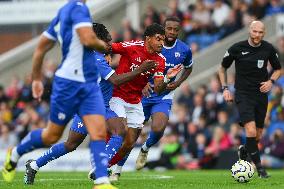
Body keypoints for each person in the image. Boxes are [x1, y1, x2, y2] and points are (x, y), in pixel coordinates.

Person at [21, 22, 158, 184]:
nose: (110, 45)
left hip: (100, 107)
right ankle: (35, 164)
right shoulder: (97, 59)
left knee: (118, 131)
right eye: (107, 41)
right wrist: (140, 70)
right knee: (72, 144)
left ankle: (101, 167)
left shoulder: (96, 56)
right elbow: (115, 80)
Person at [1, 1, 117, 189]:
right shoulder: (78, 9)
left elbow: (41, 48)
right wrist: (103, 46)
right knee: (51, 136)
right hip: (69, 84)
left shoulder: (64, 12)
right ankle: (14, 153)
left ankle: (101, 182)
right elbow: (88, 40)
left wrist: (37, 79)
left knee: (98, 131)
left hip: (88, 84)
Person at [107, 17, 192, 181]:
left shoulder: (182, 50)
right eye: (169, 29)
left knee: (157, 129)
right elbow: (111, 47)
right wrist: (142, 80)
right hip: (136, 95)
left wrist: (173, 80)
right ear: (162, 30)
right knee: (125, 134)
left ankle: (145, 149)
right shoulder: (138, 46)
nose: (172, 33)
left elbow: (188, 67)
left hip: (161, 95)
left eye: (176, 30)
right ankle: (115, 169)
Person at [218, 20, 281, 178]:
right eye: (255, 31)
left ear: (264, 33)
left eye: (260, 32)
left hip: (261, 95)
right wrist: (225, 88)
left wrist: (271, 81)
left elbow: (278, 69)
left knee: (257, 136)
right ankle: (260, 170)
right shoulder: (237, 48)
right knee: (251, 131)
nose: (257, 35)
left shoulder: (268, 48)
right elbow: (222, 68)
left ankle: (244, 150)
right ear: (249, 30)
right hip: (243, 94)